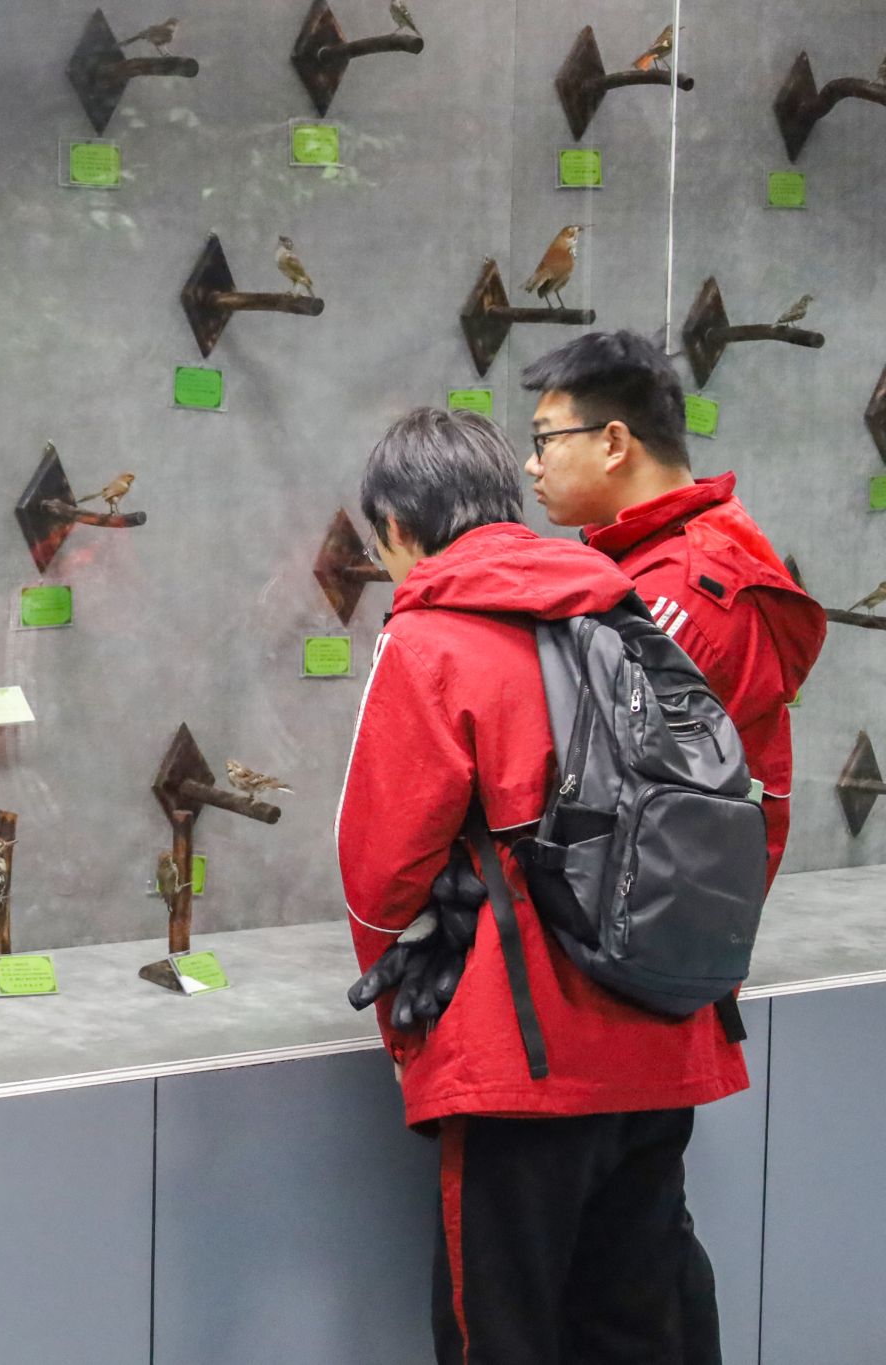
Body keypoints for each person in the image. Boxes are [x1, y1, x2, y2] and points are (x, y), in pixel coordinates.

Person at [337, 407, 747, 1365]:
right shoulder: (616, 606)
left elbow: (381, 871)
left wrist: (402, 1023)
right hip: (664, 1024)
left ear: (397, 526)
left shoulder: (430, 637)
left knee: (501, 1332)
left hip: (522, 1057)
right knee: (637, 1328)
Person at [521, 329, 825, 881]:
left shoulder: (682, 591)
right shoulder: (664, 550)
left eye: (545, 441)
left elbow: (584, 766)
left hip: (641, 905)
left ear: (614, 443)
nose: (532, 465)